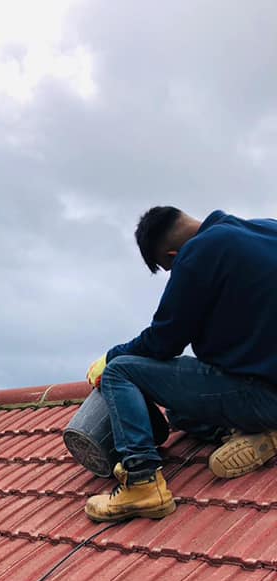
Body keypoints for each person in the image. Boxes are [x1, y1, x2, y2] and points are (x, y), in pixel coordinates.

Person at [84, 207, 277, 522]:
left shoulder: (197, 253)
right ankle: (259, 433)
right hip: (266, 385)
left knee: (121, 370)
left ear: (172, 256)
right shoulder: (267, 230)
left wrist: (111, 356)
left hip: (262, 395)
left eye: (169, 269)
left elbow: (163, 341)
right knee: (178, 412)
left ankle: (142, 483)